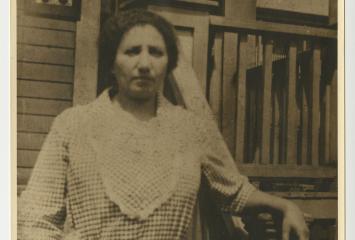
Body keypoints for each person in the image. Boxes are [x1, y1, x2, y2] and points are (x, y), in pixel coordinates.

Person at [18, 9, 309, 240]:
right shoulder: (72, 125)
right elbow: (36, 220)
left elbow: (234, 193)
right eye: (132, 51)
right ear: (111, 62)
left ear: (168, 64)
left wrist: (285, 205)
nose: (144, 64)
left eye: (156, 52)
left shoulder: (190, 129)